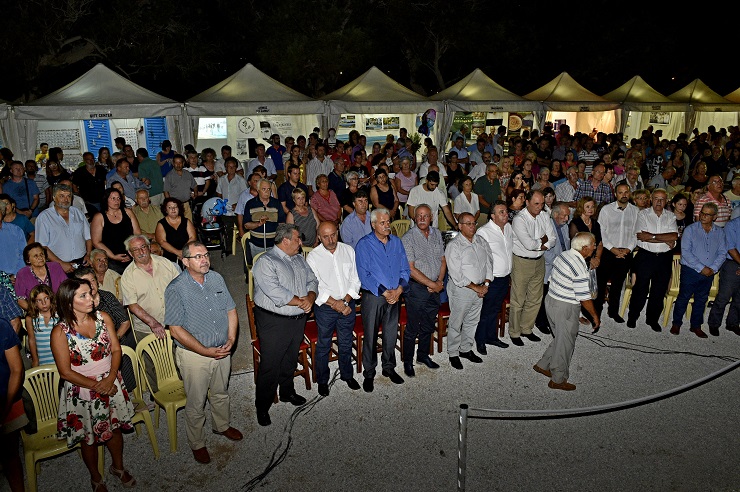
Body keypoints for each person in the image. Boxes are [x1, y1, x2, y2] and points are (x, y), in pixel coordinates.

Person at [50, 278, 136, 491]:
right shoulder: (60, 332)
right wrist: (98, 386)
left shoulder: (103, 318)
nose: (91, 298)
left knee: (115, 429)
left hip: (110, 381)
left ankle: (118, 467)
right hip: (82, 389)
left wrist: (110, 378)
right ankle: (96, 477)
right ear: (69, 302)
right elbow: (65, 372)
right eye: (84, 295)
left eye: (90, 293)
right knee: (88, 438)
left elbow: (116, 349)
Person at [163, 240, 241, 463]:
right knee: (196, 402)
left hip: (222, 349)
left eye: (206, 255)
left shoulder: (216, 278)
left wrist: (231, 339)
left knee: (220, 392)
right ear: (185, 261)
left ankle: (221, 425)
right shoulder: (176, 288)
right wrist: (205, 351)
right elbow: (176, 330)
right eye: (198, 257)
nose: (204, 259)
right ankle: (197, 443)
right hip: (194, 356)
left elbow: (231, 310)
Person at [252, 224, 318, 426]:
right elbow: (275, 292)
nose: (301, 242)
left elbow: (312, 280)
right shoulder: (266, 261)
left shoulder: (299, 259)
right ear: (286, 240)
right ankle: (262, 406)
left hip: (297, 319)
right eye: (298, 239)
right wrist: (301, 302)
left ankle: (287, 392)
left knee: (290, 359)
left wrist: (310, 297)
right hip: (274, 321)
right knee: (270, 365)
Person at [533, 232, 600, 391]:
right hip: (565, 307)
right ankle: (557, 379)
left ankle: (543, 364)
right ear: (584, 248)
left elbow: (551, 279)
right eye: (593, 245)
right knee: (566, 343)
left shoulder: (563, 255)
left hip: (551, 301)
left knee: (561, 337)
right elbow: (584, 298)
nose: (595, 247)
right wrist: (595, 316)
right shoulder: (579, 267)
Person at [355, 208, 410, 391]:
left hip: (395, 295)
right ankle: (369, 373)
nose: (387, 226)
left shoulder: (397, 242)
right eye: (382, 223)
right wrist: (386, 293)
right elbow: (364, 274)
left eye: (388, 222)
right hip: (374, 296)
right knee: (370, 336)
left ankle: (388, 368)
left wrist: (399, 290)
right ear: (373, 225)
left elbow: (405, 269)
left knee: (390, 333)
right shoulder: (364, 244)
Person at [306, 222, 362, 395]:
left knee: (346, 342)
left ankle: (347, 375)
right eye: (326, 237)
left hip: (347, 304)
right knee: (324, 344)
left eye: (333, 235)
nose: (330, 240)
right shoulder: (313, 257)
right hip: (325, 308)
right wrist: (336, 304)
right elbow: (315, 287)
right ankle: (322, 380)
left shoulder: (348, 250)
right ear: (319, 237)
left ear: (338, 233)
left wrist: (345, 301)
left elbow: (355, 279)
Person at [400, 204, 446, 375]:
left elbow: (443, 260)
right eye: (418, 215)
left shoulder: (437, 234)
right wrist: (433, 285)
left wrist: (439, 281)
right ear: (414, 217)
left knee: (428, 324)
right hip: (416, 289)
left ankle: (423, 355)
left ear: (431, 217)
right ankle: (408, 362)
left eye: (425, 215)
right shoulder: (408, 238)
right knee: (413, 327)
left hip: (435, 286)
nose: (421, 219)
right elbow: (410, 269)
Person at [670, 203, 726, 338]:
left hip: (709, 272)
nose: (703, 216)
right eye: (702, 213)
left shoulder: (720, 232)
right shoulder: (690, 229)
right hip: (690, 270)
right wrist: (702, 268)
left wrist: (713, 268)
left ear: (714, 217)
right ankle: (676, 323)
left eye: (707, 214)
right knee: (684, 297)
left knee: (701, 299)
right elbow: (686, 252)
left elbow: (722, 253)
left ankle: (696, 325)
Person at [627, 189, 678, 332]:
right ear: (651, 199)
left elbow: (674, 236)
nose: (659, 202)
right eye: (656, 198)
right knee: (640, 289)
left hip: (664, 258)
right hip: (646, 256)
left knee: (659, 290)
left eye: (662, 199)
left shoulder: (671, 216)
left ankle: (652, 319)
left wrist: (652, 236)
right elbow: (641, 236)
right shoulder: (643, 214)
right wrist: (664, 238)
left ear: (666, 201)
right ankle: (633, 316)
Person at [444, 212, 491, 369]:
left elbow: (489, 263)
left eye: (474, 223)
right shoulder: (454, 246)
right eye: (468, 224)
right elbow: (457, 275)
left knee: (472, 321)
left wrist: (486, 284)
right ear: (460, 226)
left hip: (481, 288)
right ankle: (453, 353)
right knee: (456, 323)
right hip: (462, 290)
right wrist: (477, 287)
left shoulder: (481, 241)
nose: (472, 226)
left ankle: (465, 349)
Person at [509, 190, 556, 346]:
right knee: (518, 299)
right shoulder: (519, 219)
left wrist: (542, 243)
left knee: (535, 298)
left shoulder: (544, 215)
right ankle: (514, 332)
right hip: (522, 262)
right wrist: (543, 241)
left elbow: (553, 239)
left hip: (539, 260)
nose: (539, 207)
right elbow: (528, 245)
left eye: (542, 204)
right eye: (536, 203)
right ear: (527, 202)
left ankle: (526, 328)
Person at [596, 184, 639, 323]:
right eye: (621, 192)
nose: (624, 195)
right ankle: (596, 313)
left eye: (626, 192)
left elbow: (636, 233)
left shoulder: (635, 211)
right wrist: (612, 248)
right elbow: (601, 232)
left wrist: (628, 249)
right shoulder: (606, 210)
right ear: (615, 194)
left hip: (626, 252)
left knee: (618, 284)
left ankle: (613, 311)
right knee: (601, 283)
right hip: (608, 251)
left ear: (630, 193)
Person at [474, 201, 513, 352]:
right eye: (501, 212)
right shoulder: (484, 232)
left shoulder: (508, 228)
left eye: (506, 211)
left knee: (495, 309)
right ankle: (480, 340)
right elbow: (479, 259)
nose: (505, 214)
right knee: (485, 310)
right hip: (491, 279)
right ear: (492, 216)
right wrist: (484, 282)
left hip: (505, 277)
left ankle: (491, 337)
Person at [34, 183, 92, 273]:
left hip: (82, 262)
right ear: (54, 197)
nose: (66, 199)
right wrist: (61, 263)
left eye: (68, 196)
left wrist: (88, 254)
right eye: (61, 196)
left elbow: (88, 237)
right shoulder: (44, 217)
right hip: (57, 265)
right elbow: (42, 246)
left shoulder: (78, 213)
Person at [0, 316, 27, 492]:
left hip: (5, 398)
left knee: (10, 455)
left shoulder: (2, 326)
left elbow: (17, 369)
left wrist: (6, 406)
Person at [90, 187, 142, 274]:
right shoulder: (99, 217)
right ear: (106, 200)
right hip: (111, 258)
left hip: (132, 254)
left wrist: (135, 251)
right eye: (113, 198)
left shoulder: (128, 212)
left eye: (118, 198)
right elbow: (96, 242)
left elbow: (137, 233)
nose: (116, 201)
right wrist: (113, 256)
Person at [707, 215, 740, 337]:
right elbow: (730, 248)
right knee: (724, 297)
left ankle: (733, 323)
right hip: (732, 263)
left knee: (739, 298)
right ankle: (714, 323)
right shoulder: (732, 225)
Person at [14, 242, 68, 310]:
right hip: (36, 311)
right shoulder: (22, 274)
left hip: (59, 308)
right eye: (36, 256)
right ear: (28, 260)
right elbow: (20, 300)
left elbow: (67, 288)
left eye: (41, 254)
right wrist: (35, 312)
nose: (40, 258)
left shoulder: (55, 267)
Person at [242, 178, 286, 260]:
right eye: (264, 189)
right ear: (258, 190)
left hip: (274, 245)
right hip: (256, 244)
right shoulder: (250, 204)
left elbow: (282, 224)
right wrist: (259, 223)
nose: (267, 192)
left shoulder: (276, 203)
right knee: (258, 265)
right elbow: (246, 225)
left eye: (269, 189)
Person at [155, 197, 197, 265]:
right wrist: (177, 252)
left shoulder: (186, 221)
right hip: (170, 255)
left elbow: (193, 237)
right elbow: (162, 242)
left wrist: (183, 252)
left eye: (175, 207)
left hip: (187, 252)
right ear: (166, 210)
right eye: (170, 207)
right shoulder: (161, 224)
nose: (173, 209)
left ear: (179, 208)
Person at [24, 284, 58, 366]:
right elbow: (32, 340)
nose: (44, 303)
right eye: (39, 300)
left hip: (59, 359)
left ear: (51, 298)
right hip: (42, 359)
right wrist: (35, 360)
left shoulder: (59, 315)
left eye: (46, 298)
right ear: (34, 303)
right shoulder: (30, 319)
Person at [163, 154, 197, 221]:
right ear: (173, 164)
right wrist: (169, 205)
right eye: (176, 163)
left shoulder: (188, 174)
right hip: (175, 206)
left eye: (180, 163)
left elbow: (195, 185)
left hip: (186, 204)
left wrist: (195, 194)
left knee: (189, 223)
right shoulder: (169, 176)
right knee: (177, 223)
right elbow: (166, 191)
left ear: (183, 163)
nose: (178, 165)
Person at [0, 199, 25, 276]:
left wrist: (15, 275)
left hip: (16, 275)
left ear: (2, 212)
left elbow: (23, 254)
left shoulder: (16, 230)